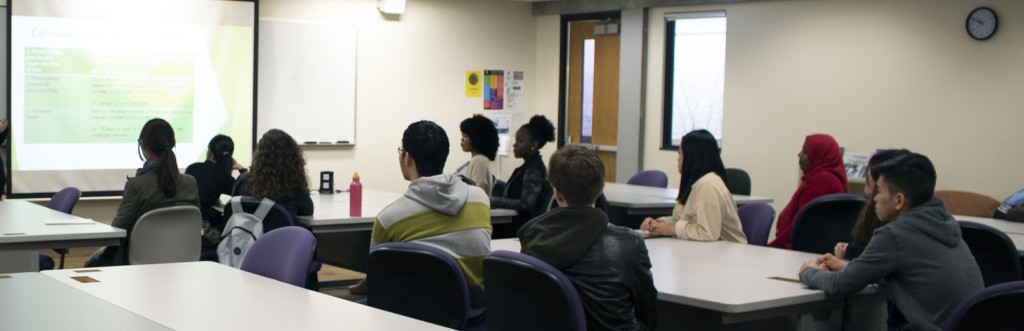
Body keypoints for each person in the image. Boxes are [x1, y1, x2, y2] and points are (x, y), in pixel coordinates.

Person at [799, 152, 984, 331]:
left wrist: (809, 271)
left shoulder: (894, 235)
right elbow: (914, 272)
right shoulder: (944, 223)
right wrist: (848, 267)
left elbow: (840, 285)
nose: (875, 198)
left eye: (879, 191)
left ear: (899, 200)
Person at [355, 120, 492, 322]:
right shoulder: (480, 199)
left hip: (413, 318)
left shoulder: (388, 219)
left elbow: (377, 282)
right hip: (475, 316)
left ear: (407, 157)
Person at [519, 145, 658, 331]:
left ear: (557, 193)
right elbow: (649, 312)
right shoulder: (629, 243)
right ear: (601, 190)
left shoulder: (532, 237)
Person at [85, 118, 200, 267]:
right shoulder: (190, 182)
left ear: (142, 144)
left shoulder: (136, 185)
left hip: (136, 264)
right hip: (182, 261)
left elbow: (117, 229)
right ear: (172, 144)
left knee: (90, 265)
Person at [639, 130, 746, 243]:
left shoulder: (708, 185)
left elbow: (707, 233)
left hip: (730, 254)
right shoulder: (695, 183)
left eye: (680, 152)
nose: (678, 158)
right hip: (708, 252)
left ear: (692, 156)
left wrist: (671, 230)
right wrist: (659, 224)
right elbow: (680, 220)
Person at [768, 134, 848, 248]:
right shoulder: (832, 178)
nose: (799, 154)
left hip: (804, 247)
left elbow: (801, 223)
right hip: (817, 246)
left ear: (819, 155)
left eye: (805, 151)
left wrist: (770, 247)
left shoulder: (821, 180)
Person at [836, 149, 910, 260]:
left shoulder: (889, 212)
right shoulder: (874, 206)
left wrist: (850, 250)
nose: (868, 175)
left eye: (872, 171)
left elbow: (881, 254)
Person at [492, 115, 556, 237]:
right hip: (520, 225)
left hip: (522, 229)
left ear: (534, 144)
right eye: (516, 141)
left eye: (520, 141)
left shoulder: (533, 170)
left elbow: (526, 203)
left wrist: (493, 200)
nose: (515, 145)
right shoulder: (530, 166)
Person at [186, 135, 246, 260]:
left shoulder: (192, 169)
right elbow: (245, 193)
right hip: (202, 232)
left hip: (185, 227)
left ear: (209, 152)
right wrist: (241, 169)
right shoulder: (225, 179)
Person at [234, 129, 313, 218]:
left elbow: (234, 207)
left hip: (248, 231)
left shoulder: (243, 180)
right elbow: (308, 211)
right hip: (280, 232)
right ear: (292, 157)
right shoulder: (293, 185)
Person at [455, 115, 499, 198]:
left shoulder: (479, 160)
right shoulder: (478, 160)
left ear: (476, 138)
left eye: (465, 136)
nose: (462, 139)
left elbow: (476, 193)